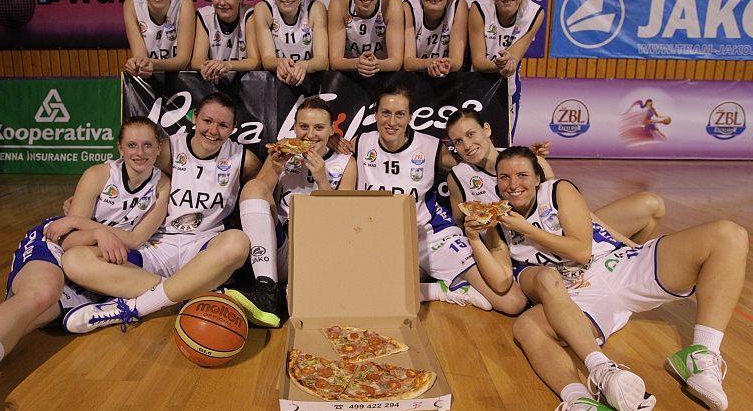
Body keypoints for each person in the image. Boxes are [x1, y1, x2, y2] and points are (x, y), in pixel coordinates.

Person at [484, 146, 747, 411]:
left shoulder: (557, 190)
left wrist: (526, 228)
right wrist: (477, 236)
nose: (513, 184)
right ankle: (586, 406)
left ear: (537, 177)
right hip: (579, 295)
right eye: (504, 177)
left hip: (618, 264)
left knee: (729, 234)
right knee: (527, 327)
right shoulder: (495, 220)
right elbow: (505, 278)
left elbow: (582, 251)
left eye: (522, 175)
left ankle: (702, 354)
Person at [0, 117, 170, 411]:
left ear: (158, 148)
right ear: (119, 147)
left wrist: (98, 231)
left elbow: (137, 238)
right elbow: (68, 234)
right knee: (40, 295)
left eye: (147, 145)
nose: (139, 152)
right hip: (55, 243)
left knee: (30, 320)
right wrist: (98, 231)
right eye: (131, 145)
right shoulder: (99, 175)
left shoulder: (162, 184)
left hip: (93, 251)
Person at [60, 92, 284, 332]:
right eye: (207, 121)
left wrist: (275, 166)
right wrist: (83, 199)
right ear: (194, 118)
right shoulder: (168, 148)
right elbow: (129, 171)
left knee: (238, 243)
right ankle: (195, 293)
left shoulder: (243, 159)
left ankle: (133, 307)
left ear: (232, 128)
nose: (213, 130)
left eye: (223, 125)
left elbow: (257, 197)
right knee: (74, 260)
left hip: (202, 247)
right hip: (156, 245)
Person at [338, 85, 527, 315]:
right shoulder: (360, 143)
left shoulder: (431, 148)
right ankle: (436, 290)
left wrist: (522, 162)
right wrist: (331, 141)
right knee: (369, 298)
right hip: (379, 240)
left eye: (400, 114)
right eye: (385, 113)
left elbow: (473, 165)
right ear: (375, 114)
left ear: (410, 117)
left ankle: (437, 289)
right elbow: (329, 162)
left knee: (513, 302)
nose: (392, 122)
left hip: (430, 236)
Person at [445, 109, 665, 245]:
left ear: (487, 129)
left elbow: (570, 207)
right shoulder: (459, 178)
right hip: (521, 251)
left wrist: (625, 243)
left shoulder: (528, 160)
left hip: (562, 235)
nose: (467, 145)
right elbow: (462, 227)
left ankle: (620, 260)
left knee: (652, 205)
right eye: (458, 142)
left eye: (471, 134)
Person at [239, 96, 350, 300]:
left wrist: (322, 180)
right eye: (303, 126)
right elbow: (253, 195)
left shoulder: (345, 162)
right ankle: (267, 288)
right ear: (295, 127)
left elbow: (344, 223)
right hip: (280, 248)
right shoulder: (283, 150)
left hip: (321, 251)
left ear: (332, 129)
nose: (310, 135)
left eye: (319, 127)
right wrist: (275, 168)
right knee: (253, 185)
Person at [469, 0, 544, 137]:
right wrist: (500, 64)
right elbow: (478, 61)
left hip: (507, 88)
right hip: (474, 85)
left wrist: (508, 62)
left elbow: (514, 58)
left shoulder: (535, 13)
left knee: (503, 145)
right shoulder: (479, 9)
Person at [255, 0, 328, 86]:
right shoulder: (264, 9)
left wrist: (303, 65)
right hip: (277, 83)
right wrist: (280, 63)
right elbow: (267, 59)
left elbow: (322, 60)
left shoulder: (315, 8)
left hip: (311, 82)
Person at [328, 0, 404, 77]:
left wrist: (373, 65)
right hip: (350, 73)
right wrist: (358, 64)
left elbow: (396, 62)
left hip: (382, 72)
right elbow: (335, 61)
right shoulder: (338, 5)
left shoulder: (392, 5)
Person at [123, 0, 196, 78]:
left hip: (181, 80)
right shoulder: (131, 5)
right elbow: (140, 55)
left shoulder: (184, 4)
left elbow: (183, 60)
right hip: (151, 78)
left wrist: (151, 64)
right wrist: (137, 64)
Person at [191, 0, 260, 81]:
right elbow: (197, 60)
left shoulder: (249, 15)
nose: (222, 2)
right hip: (213, 82)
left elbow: (255, 61)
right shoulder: (204, 16)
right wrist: (212, 67)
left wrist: (228, 65)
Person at [403, 0, 468, 77]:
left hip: (447, 76)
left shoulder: (458, 5)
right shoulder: (408, 8)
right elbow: (408, 63)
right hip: (415, 77)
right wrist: (431, 64)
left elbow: (457, 61)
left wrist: (446, 65)